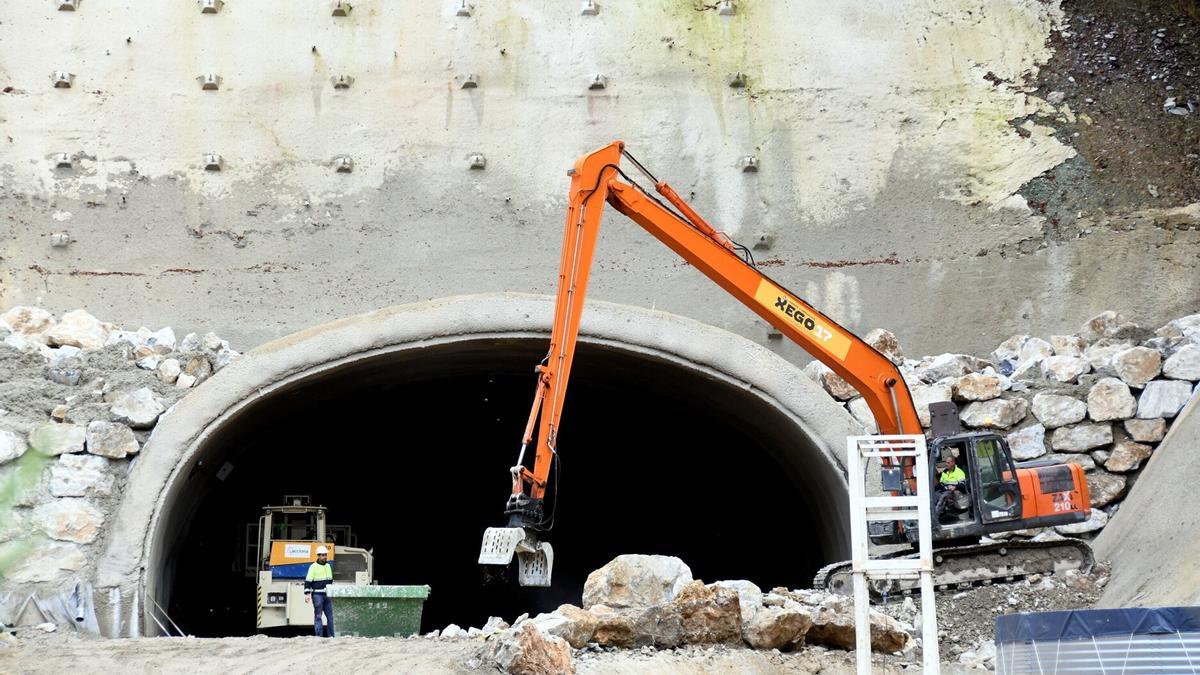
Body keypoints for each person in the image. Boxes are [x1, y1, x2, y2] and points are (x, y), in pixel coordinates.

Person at [304, 545, 335, 637]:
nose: (324, 557)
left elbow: (330, 580)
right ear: (318, 556)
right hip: (317, 595)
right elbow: (308, 581)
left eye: (325, 555)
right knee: (318, 616)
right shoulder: (313, 567)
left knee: (331, 617)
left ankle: (331, 637)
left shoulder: (328, 566)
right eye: (322, 555)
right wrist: (307, 594)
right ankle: (319, 637)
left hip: (327, 595)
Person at [936, 455, 969, 521]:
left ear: (953, 463)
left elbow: (962, 485)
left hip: (956, 492)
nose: (946, 464)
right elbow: (941, 483)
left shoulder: (959, 472)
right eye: (946, 462)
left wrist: (955, 487)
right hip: (945, 490)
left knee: (943, 496)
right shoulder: (944, 472)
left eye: (948, 463)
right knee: (934, 495)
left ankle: (935, 516)